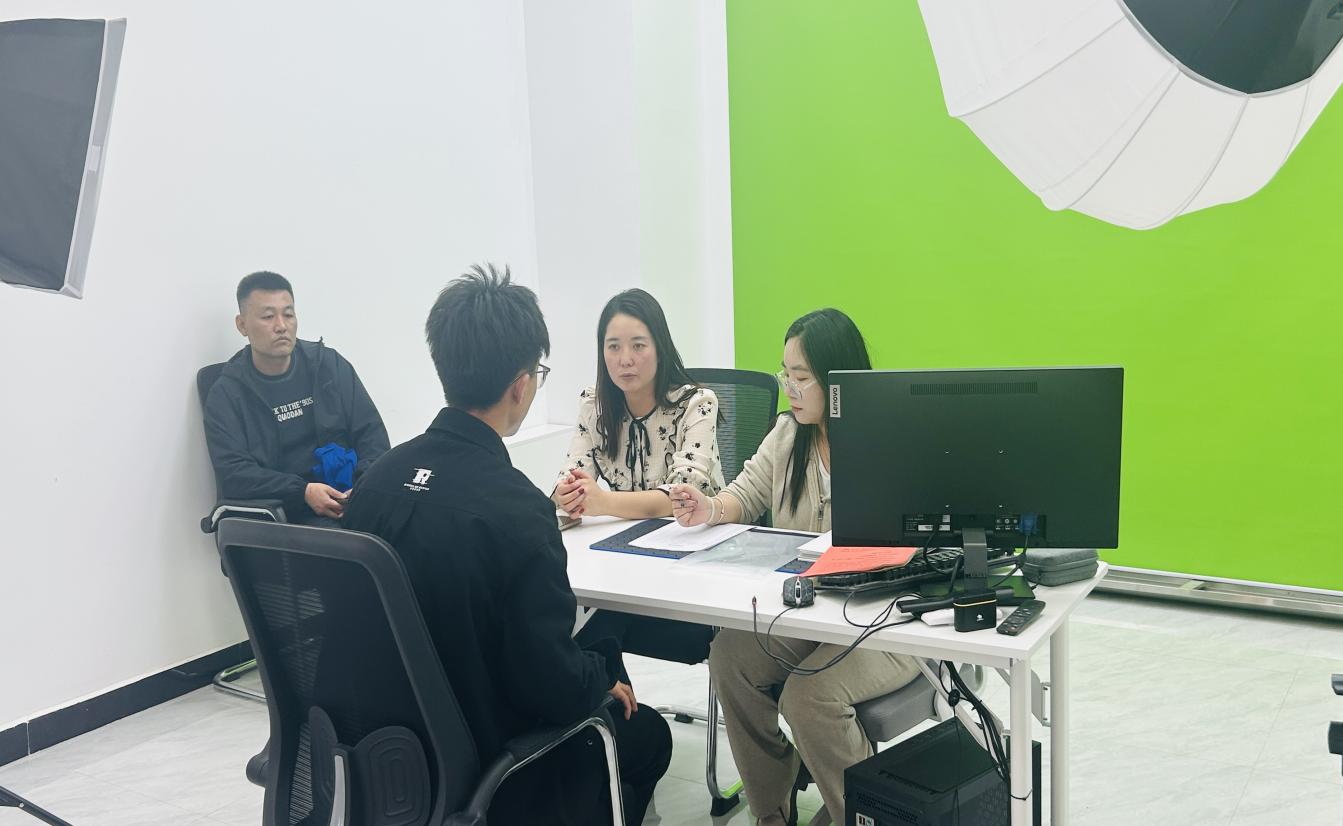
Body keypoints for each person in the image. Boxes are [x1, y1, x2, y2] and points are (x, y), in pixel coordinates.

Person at [342, 264, 671, 826]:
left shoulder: (374, 484)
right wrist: (600, 679)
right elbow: (549, 684)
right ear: (521, 385)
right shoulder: (517, 510)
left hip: (383, 756)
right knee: (649, 737)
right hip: (496, 766)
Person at [669, 309, 921, 826]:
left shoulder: (890, 437)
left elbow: (919, 542)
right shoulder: (788, 434)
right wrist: (708, 507)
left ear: (837, 378)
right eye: (785, 374)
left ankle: (860, 814)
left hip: (886, 623)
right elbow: (745, 494)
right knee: (730, 659)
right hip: (810, 614)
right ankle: (772, 810)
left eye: (800, 377)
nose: (789, 388)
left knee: (809, 699)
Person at [555, 287, 724, 665]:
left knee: (591, 631)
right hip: (624, 563)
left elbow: (682, 496)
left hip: (693, 564)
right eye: (613, 347)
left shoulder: (697, 403)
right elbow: (570, 474)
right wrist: (567, 494)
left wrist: (603, 502)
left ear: (660, 347)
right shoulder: (594, 405)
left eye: (638, 346)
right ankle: (610, 695)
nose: (625, 360)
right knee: (572, 624)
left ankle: (604, 694)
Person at [203, 271, 389, 526]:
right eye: (268, 317)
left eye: (288, 314)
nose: (281, 326)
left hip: (348, 497)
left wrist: (361, 485)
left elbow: (372, 435)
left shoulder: (329, 366)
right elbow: (234, 474)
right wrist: (303, 492)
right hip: (287, 514)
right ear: (242, 325)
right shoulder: (227, 393)